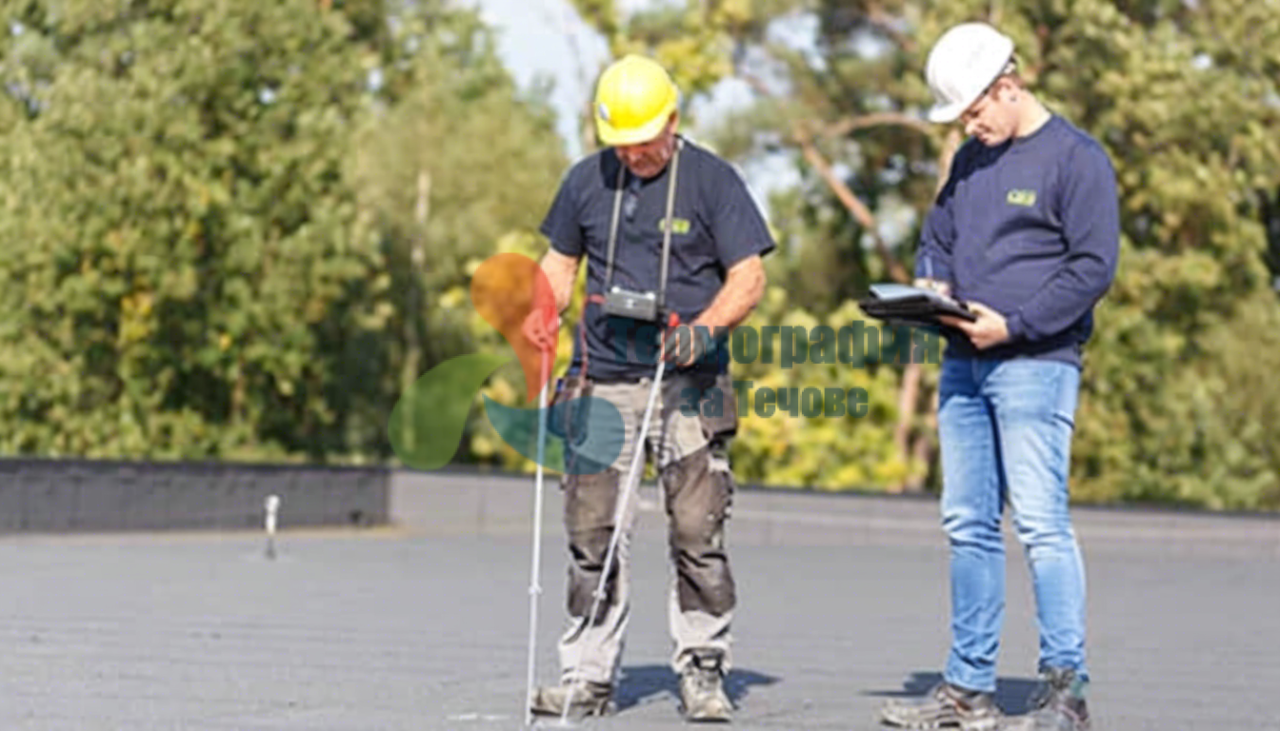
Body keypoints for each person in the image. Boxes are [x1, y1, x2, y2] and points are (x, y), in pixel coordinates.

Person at [878, 22, 1120, 731]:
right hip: (964, 363)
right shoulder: (969, 161)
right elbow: (937, 238)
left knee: (1042, 525)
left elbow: (1093, 268)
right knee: (968, 525)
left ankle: (1065, 691)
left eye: (975, 110)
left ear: (1006, 86)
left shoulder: (1077, 160)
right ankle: (967, 690)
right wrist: (933, 284)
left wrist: (1013, 326)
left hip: (1034, 365)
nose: (970, 126)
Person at [522, 54, 774, 722]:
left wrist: (705, 330)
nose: (633, 155)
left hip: (688, 381)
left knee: (697, 529)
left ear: (673, 119)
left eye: (644, 141)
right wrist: (543, 309)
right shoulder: (585, 180)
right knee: (592, 532)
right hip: (602, 379)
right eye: (622, 144)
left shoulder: (713, 181)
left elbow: (748, 277)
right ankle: (587, 676)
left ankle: (703, 669)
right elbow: (559, 263)